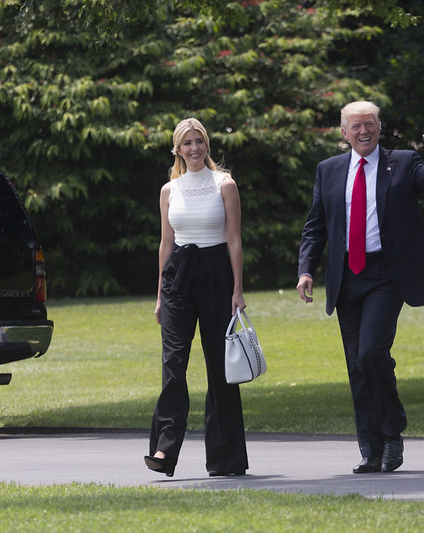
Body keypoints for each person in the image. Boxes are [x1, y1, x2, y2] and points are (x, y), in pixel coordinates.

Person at [297, 101, 424, 474]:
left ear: (379, 128)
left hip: (386, 274)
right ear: (344, 133)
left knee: (370, 352)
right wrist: (305, 270)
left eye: (369, 124)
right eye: (356, 126)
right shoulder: (329, 170)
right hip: (346, 276)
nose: (363, 131)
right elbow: (316, 224)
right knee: (356, 364)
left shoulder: (403, 162)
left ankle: (392, 432)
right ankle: (371, 448)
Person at [145, 118, 249, 478]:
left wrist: (238, 289)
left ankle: (225, 457)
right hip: (178, 278)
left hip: (217, 274)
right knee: (173, 363)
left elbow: (234, 240)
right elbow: (166, 243)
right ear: (177, 149)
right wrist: (160, 295)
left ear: (207, 145)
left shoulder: (225, 184)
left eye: (199, 141)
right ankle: (164, 449)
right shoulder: (169, 190)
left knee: (220, 367)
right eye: (187, 143)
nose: (194, 148)